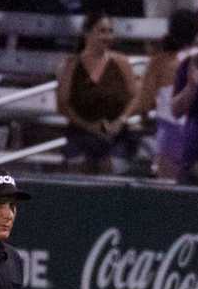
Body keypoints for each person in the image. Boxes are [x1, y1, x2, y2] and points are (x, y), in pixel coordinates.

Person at [57, 14, 138, 173]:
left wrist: (120, 121)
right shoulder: (71, 65)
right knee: (78, 166)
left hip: (115, 134)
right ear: (87, 33)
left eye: (110, 31)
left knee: (111, 165)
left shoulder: (121, 62)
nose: (107, 36)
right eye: (101, 31)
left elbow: (134, 96)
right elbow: (63, 105)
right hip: (81, 132)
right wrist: (88, 126)